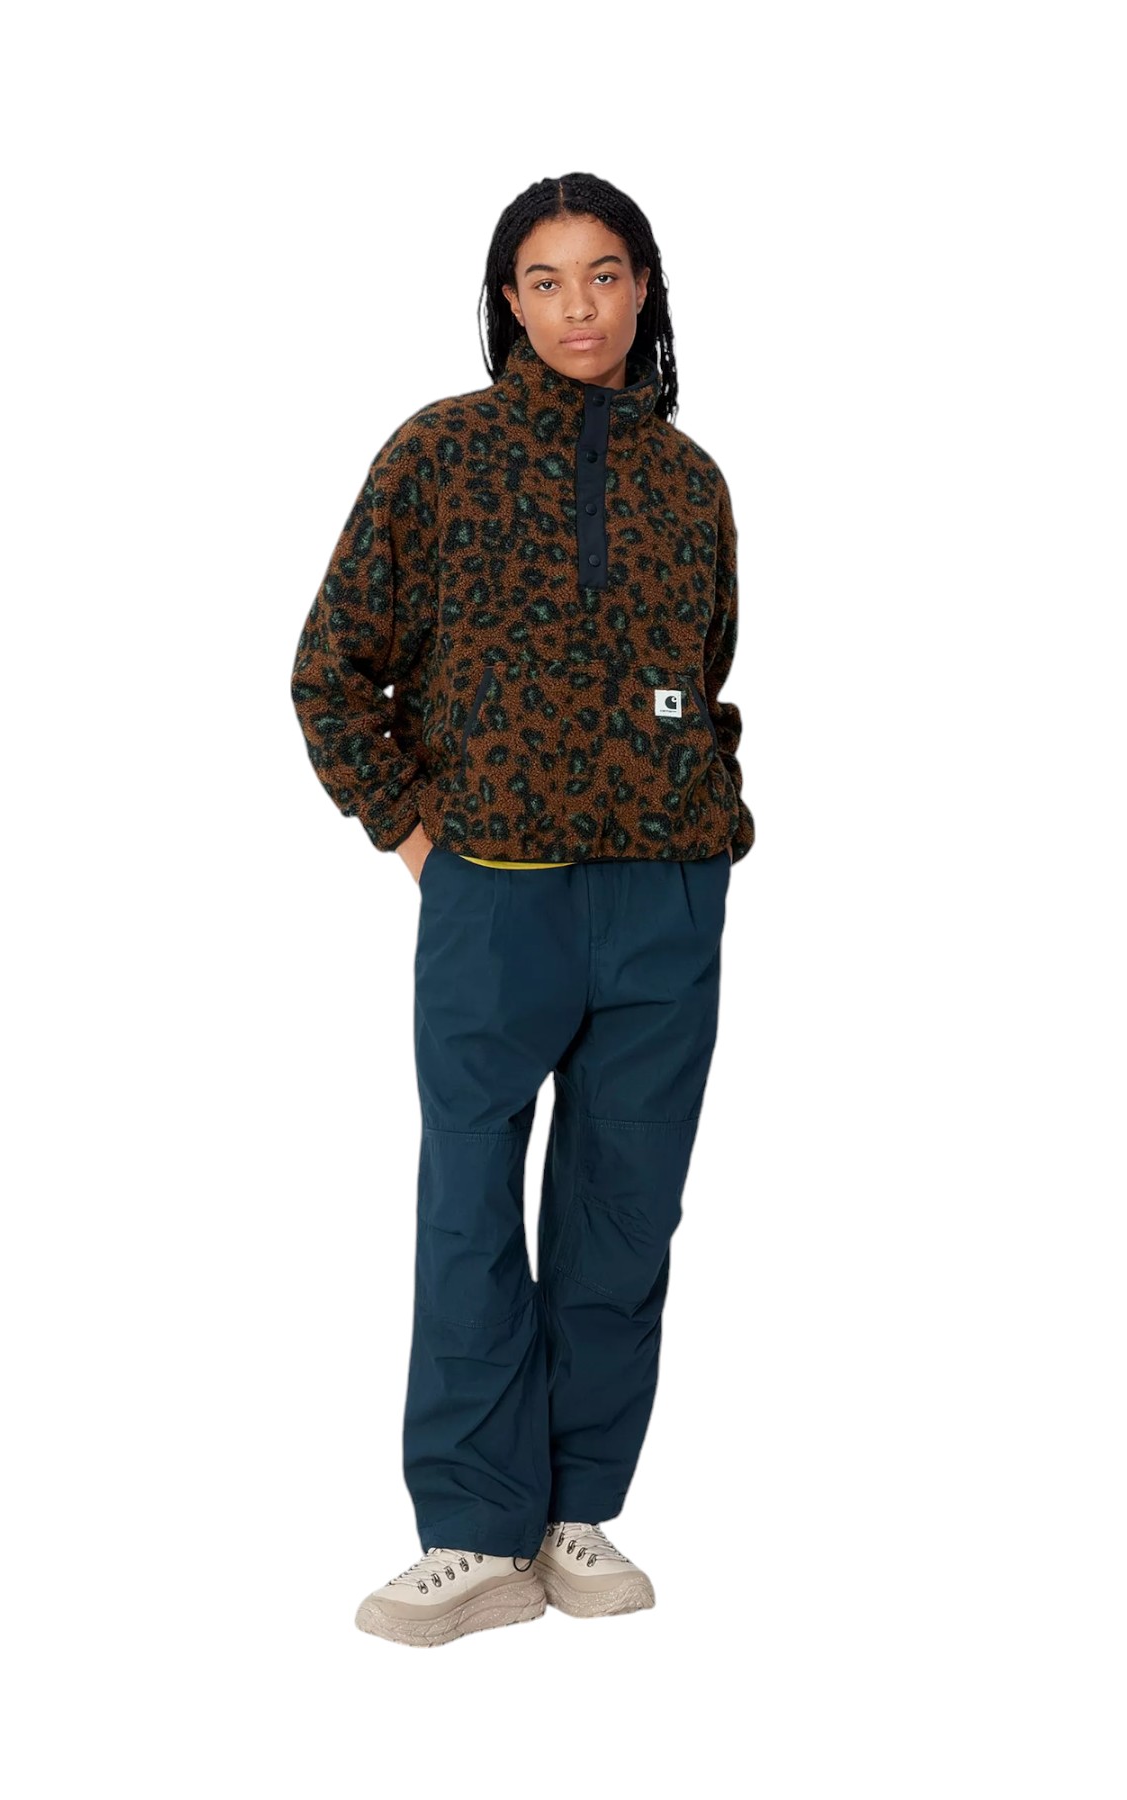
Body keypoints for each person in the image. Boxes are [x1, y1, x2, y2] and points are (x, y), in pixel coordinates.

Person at [290, 172, 755, 1648]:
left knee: (626, 1210)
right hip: (495, 892)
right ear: (508, 298)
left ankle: (575, 1512)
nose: (578, 308)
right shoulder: (440, 453)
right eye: (545, 281)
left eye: (604, 275)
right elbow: (329, 670)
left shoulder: (690, 481)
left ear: (643, 288)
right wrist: (416, 836)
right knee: (471, 1204)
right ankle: (475, 1532)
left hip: (664, 896)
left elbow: (706, 673)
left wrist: (701, 817)